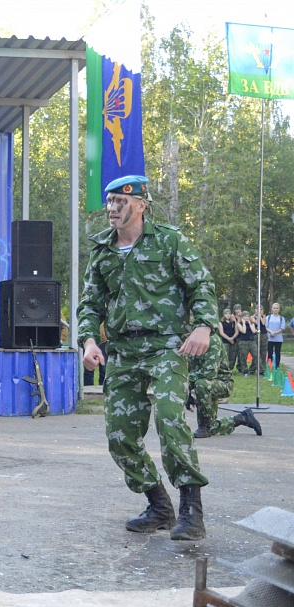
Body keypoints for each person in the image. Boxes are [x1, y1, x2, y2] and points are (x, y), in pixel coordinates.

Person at [78, 174, 217, 542]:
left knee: (170, 419)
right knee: (119, 436)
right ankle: (158, 506)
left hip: (166, 347)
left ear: (140, 206)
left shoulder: (169, 241)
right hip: (123, 351)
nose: (112, 209)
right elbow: (90, 304)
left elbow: (201, 285)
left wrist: (203, 326)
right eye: (110, 202)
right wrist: (89, 341)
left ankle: (191, 510)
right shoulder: (102, 250)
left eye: (120, 202)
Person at [188, 335, 262, 439]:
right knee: (212, 427)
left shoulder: (212, 340)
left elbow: (209, 372)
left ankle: (203, 428)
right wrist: (186, 392)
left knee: (201, 384)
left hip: (221, 383)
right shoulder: (187, 340)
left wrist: (187, 386)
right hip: (206, 384)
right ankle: (241, 418)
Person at [264, 302, 285, 372]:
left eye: (277, 308)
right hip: (270, 338)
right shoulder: (268, 317)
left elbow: (282, 328)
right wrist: (271, 332)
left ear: (279, 309)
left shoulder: (281, 318)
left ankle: (277, 367)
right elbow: (265, 327)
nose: (275, 309)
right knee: (269, 353)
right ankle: (269, 366)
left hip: (278, 339)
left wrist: (275, 333)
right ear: (272, 309)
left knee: (277, 352)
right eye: (274, 308)